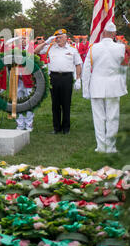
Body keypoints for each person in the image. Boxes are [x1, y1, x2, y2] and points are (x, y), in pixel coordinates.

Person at [82, 22, 127, 153]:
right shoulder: (120, 48)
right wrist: (123, 86)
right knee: (112, 117)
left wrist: (86, 89)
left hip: (96, 85)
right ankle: (111, 147)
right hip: (114, 86)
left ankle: (101, 146)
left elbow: (86, 70)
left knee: (98, 117)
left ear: (103, 33)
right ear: (114, 34)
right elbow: (123, 68)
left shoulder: (93, 48)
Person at [34, 28, 82, 134]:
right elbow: (35, 51)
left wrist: (78, 79)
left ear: (66, 38)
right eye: (57, 37)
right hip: (54, 77)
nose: (59, 39)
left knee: (66, 103)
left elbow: (78, 64)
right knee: (55, 104)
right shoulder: (50, 47)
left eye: (61, 37)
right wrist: (46, 42)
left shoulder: (72, 49)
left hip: (67, 78)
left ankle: (66, 128)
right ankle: (56, 128)